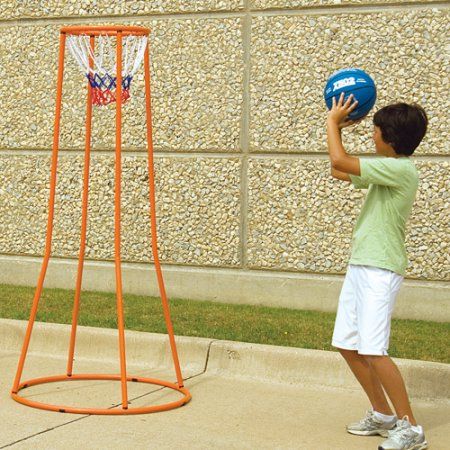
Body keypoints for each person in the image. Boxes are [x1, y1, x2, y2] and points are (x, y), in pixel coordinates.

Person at [326, 93, 429, 450]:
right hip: (362, 264)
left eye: (375, 131)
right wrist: (337, 130)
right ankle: (383, 415)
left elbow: (339, 158)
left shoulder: (401, 169)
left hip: (380, 269)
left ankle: (411, 428)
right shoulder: (388, 169)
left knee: (373, 350)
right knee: (347, 345)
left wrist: (333, 122)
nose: (372, 136)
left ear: (391, 138)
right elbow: (337, 169)